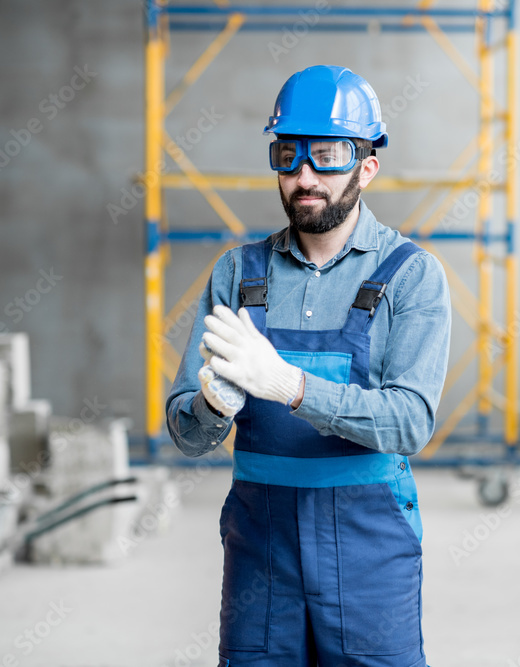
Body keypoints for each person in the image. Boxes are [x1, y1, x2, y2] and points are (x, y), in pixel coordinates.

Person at [165, 65, 451, 667]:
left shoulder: (412, 275)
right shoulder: (237, 274)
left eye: (326, 157)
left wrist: (291, 386)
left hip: (369, 543)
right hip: (261, 547)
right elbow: (187, 435)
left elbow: (410, 423)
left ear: (365, 166)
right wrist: (213, 407)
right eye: (287, 155)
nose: (303, 177)